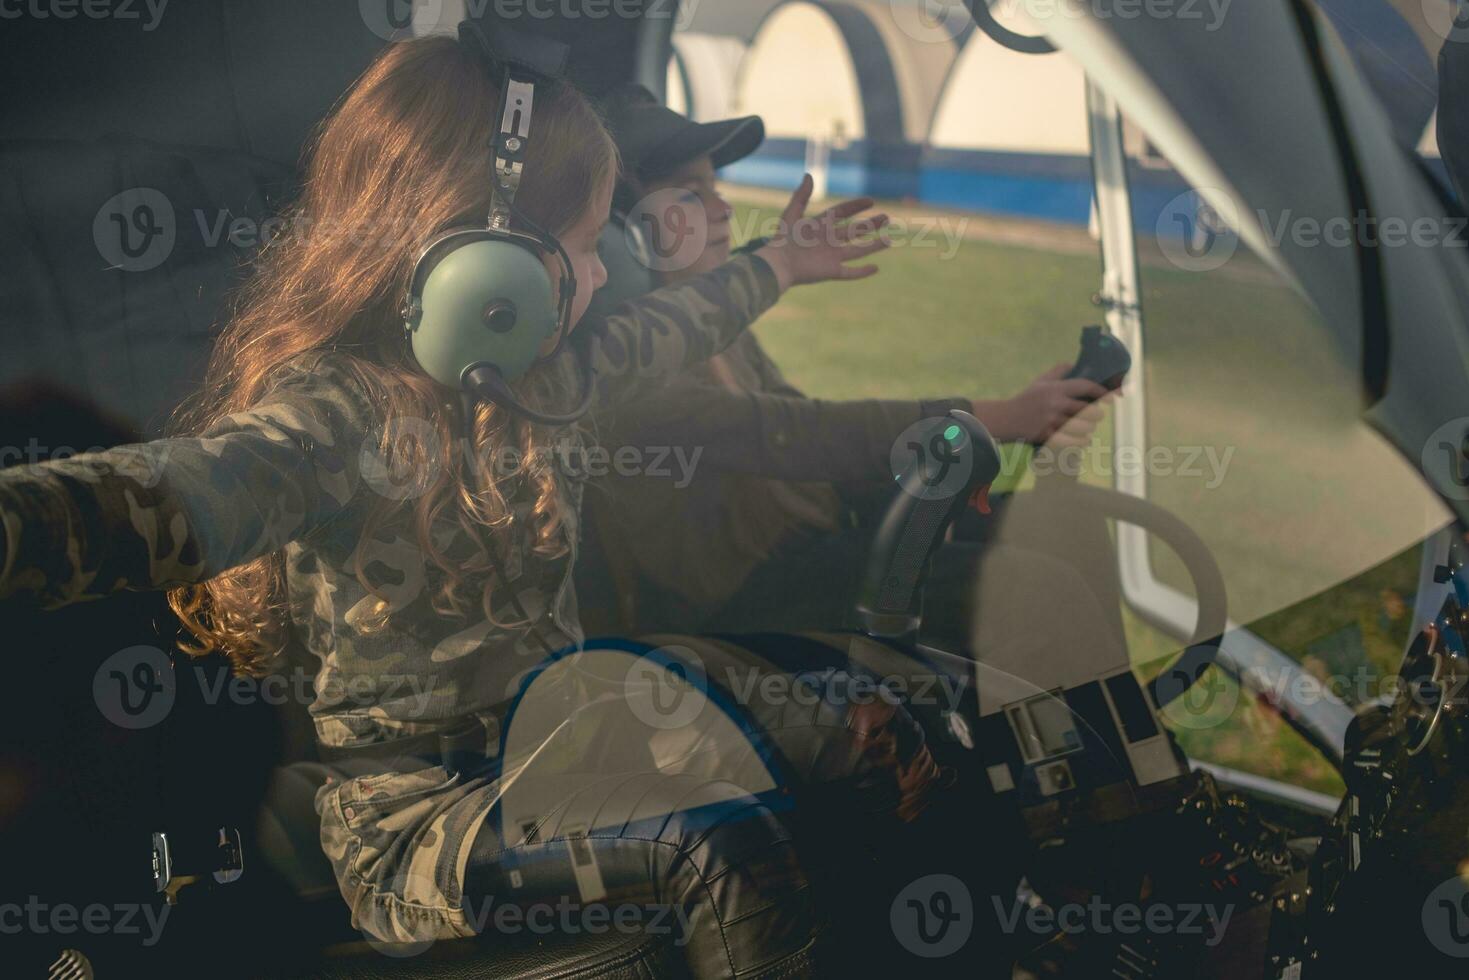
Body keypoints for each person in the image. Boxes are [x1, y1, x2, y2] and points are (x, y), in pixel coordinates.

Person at [0, 34, 952, 975]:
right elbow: (155, 496)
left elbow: (672, 328)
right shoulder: (334, 420)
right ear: (483, 259)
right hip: (420, 828)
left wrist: (777, 267)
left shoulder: (548, 382)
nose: (603, 272)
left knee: (861, 735)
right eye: (582, 247)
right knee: (720, 849)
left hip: (564, 745)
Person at [578, 85, 1111, 641]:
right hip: (744, 610)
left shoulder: (711, 332)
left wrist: (937, 491)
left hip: (810, 549)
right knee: (1029, 581)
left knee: (1067, 529)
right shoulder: (625, 373)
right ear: (624, 236)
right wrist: (1001, 418)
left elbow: (808, 436)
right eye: (691, 194)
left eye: (714, 187)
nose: (724, 208)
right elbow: (798, 435)